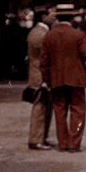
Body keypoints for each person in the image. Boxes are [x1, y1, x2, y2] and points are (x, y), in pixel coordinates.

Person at [40, 4, 86, 152]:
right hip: (76, 78)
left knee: (59, 111)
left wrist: (47, 79)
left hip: (57, 79)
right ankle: (74, 143)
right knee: (78, 110)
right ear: (72, 17)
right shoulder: (78, 35)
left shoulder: (49, 35)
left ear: (57, 17)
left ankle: (63, 143)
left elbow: (44, 61)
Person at [26, 8, 56, 150]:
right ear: (44, 17)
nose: (54, 17)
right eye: (51, 14)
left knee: (45, 107)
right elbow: (45, 58)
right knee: (40, 107)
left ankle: (41, 137)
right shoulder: (41, 34)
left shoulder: (36, 32)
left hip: (37, 73)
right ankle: (36, 139)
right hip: (40, 75)